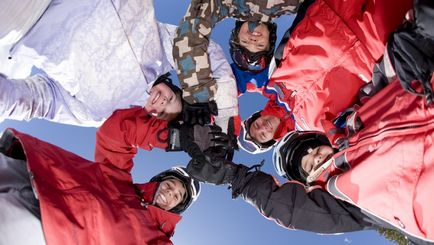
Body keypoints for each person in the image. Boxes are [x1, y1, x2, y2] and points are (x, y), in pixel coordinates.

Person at [0, 0, 238, 132]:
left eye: (162, 114)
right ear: (175, 88)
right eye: (171, 101)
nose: (161, 104)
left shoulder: (101, 112)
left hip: (28, 18)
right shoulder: (162, 49)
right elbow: (201, 49)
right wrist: (221, 113)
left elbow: (41, 101)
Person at [236, 0, 413, 154]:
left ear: (256, 116)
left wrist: (219, 116)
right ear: (272, 141)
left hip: (333, 13)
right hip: (371, 48)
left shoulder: (270, 82)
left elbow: (232, 80)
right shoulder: (313, 127)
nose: (262, 128)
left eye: (256, 125)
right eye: (262, 136)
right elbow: (359, 109)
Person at [0, 126, 200, 245]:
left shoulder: (155, 239)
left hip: (50, 233)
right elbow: (117, 132)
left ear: (177, 207)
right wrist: (174, 135)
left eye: (177, 196)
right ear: (160, 179)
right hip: (38, 176)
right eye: (170, 184)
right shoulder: (120, 179)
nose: (169, 193)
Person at [172, 0, 303, 125]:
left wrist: (197, 94)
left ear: (236, 35)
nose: (252, 40)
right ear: (270, 38)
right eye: (260, 45)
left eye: (245, 42)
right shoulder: (294, 4)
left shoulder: (225, 3)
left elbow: (191, 33)